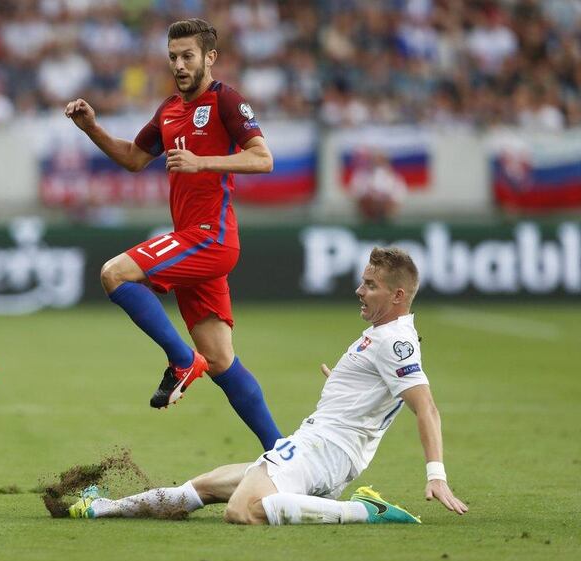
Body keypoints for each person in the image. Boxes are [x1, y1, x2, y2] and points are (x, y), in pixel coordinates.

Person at [68, 247, 469, 525]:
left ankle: (365, 511)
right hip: (318, 444)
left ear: (398, 295)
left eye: (370, 285)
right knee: (205, 487)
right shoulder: (386, 335)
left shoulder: (393, 341)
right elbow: (384, 393)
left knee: (242, 510)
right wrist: (347, 387)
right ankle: (101, 508)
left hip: (324, 451)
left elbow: (426, 407)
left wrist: (436, 474)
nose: (360, 291)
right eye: (363, 282)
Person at [64, 18, 281, 450]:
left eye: (187, 56)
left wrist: (204, 162)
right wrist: (92, 127)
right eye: (173, 57)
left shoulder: (226, 101)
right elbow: (132, 157)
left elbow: (263, 159)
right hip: (195, 241)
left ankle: (181, 361)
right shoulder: (168, 110)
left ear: (209, 58)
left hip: (212, 236)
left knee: (115, 274)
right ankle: (283, 452)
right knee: (221, 360)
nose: (179, 65)